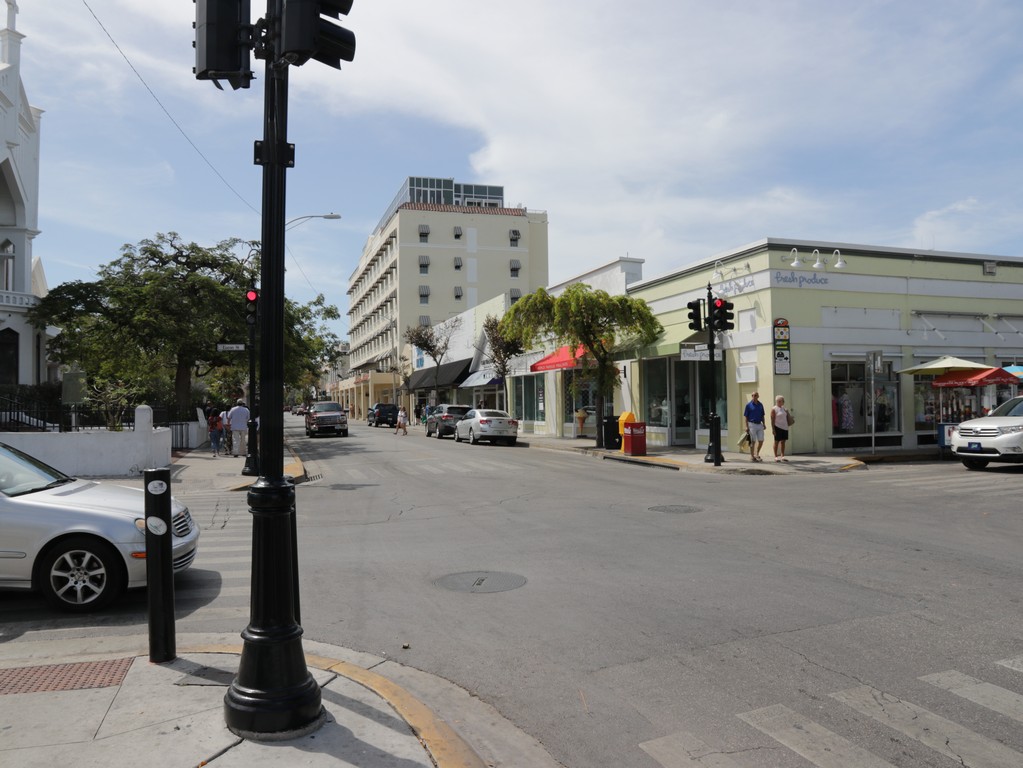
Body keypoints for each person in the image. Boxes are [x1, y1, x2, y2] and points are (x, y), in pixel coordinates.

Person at [743, 391, 766, 462]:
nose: (754, 397)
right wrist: (746, 426)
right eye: (753, 395)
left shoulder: (760, 405)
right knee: (752, 441)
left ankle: (757, 453)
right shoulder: (748, 405)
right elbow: (746, 417)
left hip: (759, 424)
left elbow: (762, 415)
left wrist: (764, 424)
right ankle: (752, 456)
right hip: (752, 424)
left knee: (761, 440)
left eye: (755, 395)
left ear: (758, 396)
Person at [770, 395, 791, 462]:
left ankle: (782, 456)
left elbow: (786, 417)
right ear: (778, 401)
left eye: (783, 401)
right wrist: (773, 429)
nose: (783, 402)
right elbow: (772, 420)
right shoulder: (774, 409)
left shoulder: (784, 408)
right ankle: (776, 456)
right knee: (776, 441)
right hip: (777, 427)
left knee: (783, 441)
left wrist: (787, 412)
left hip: (784, 427)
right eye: (782, 401)